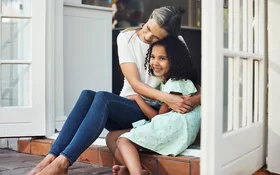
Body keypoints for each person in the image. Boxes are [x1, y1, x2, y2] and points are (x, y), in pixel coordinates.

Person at [28, 6, 200, 175]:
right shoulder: (126, 37)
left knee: (103, 98)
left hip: (152, 112)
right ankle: (51, 157)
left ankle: (63, 161)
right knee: (87, 95)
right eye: (148, 28)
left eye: (155, 37)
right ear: (148, 19)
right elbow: (135, 83)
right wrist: (168, 98)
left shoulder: (176, 45)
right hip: (128, 105)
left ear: (168, 40)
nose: (147, 36)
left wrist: (187, 101)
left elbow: (193, 83)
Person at [106, 36, 201, 175]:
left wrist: (138, 99)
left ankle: (136, 173)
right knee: (111, 137)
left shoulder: (175, 84)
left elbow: (158, 117)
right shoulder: (178, 82)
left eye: (162, 58)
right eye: (153, 57)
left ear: (175, 61)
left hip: (175, 132)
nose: (155, 62)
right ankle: (136, 170)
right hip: (174, 130)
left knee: (124, 141)